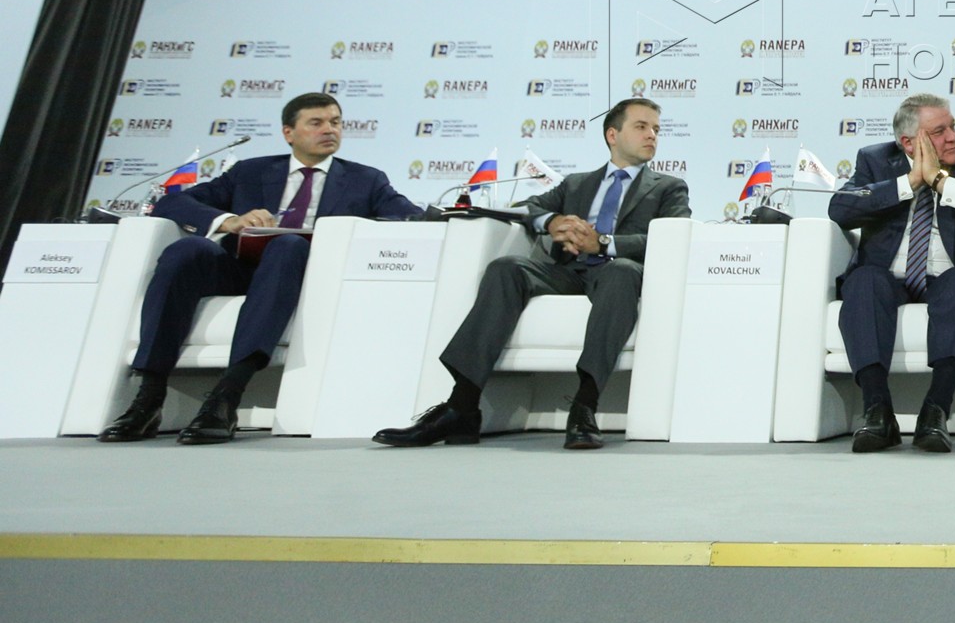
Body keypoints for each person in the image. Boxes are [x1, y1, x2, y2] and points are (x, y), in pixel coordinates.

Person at [99, 92, 422, 444]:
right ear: (289, 133)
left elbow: (411, 217)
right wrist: (229, 220)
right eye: (316, 123)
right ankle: (149, 398)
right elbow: (172, 202)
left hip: (306, 275)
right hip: (241, 267)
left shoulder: (366, 179)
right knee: (185, 250)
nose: (329, 130)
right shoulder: (250, 172)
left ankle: (226, 397)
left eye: (335, 122)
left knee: (287, 245)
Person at [374, 97, 689, 451]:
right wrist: (552, 222)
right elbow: (528, 208)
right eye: (642, 127)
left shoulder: (668, 186)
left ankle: (584, 406)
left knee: (622, 272)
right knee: (507, 268)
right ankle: (461, 406)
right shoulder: (576, 184)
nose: (652, 135)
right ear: (612, 135)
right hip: (567, 271)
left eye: (656, 129)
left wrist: (603, 243)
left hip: (617, 273)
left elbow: (673, 234)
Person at [829, 92, 955, 453]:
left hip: (948, 276)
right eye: (939, 132)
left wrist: (940, 181)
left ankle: (935, 411)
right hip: (889, 277)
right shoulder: (875, 159)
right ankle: (877, 412)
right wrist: (910, 182)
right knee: (863, 280)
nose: (953, 137)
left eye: (953, 127)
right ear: (908, 143)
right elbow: (841, 209)